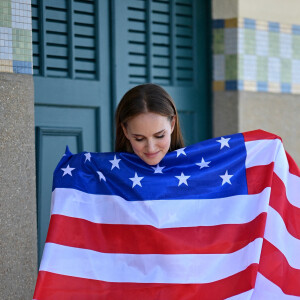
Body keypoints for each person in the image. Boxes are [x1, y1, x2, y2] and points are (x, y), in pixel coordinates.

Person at [115, 83, 184, 166]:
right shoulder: (109, 175)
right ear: (125, 130)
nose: (151, 149)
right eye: (139, 139)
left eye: (160, 136)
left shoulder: (194, 171)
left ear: (172, 124)